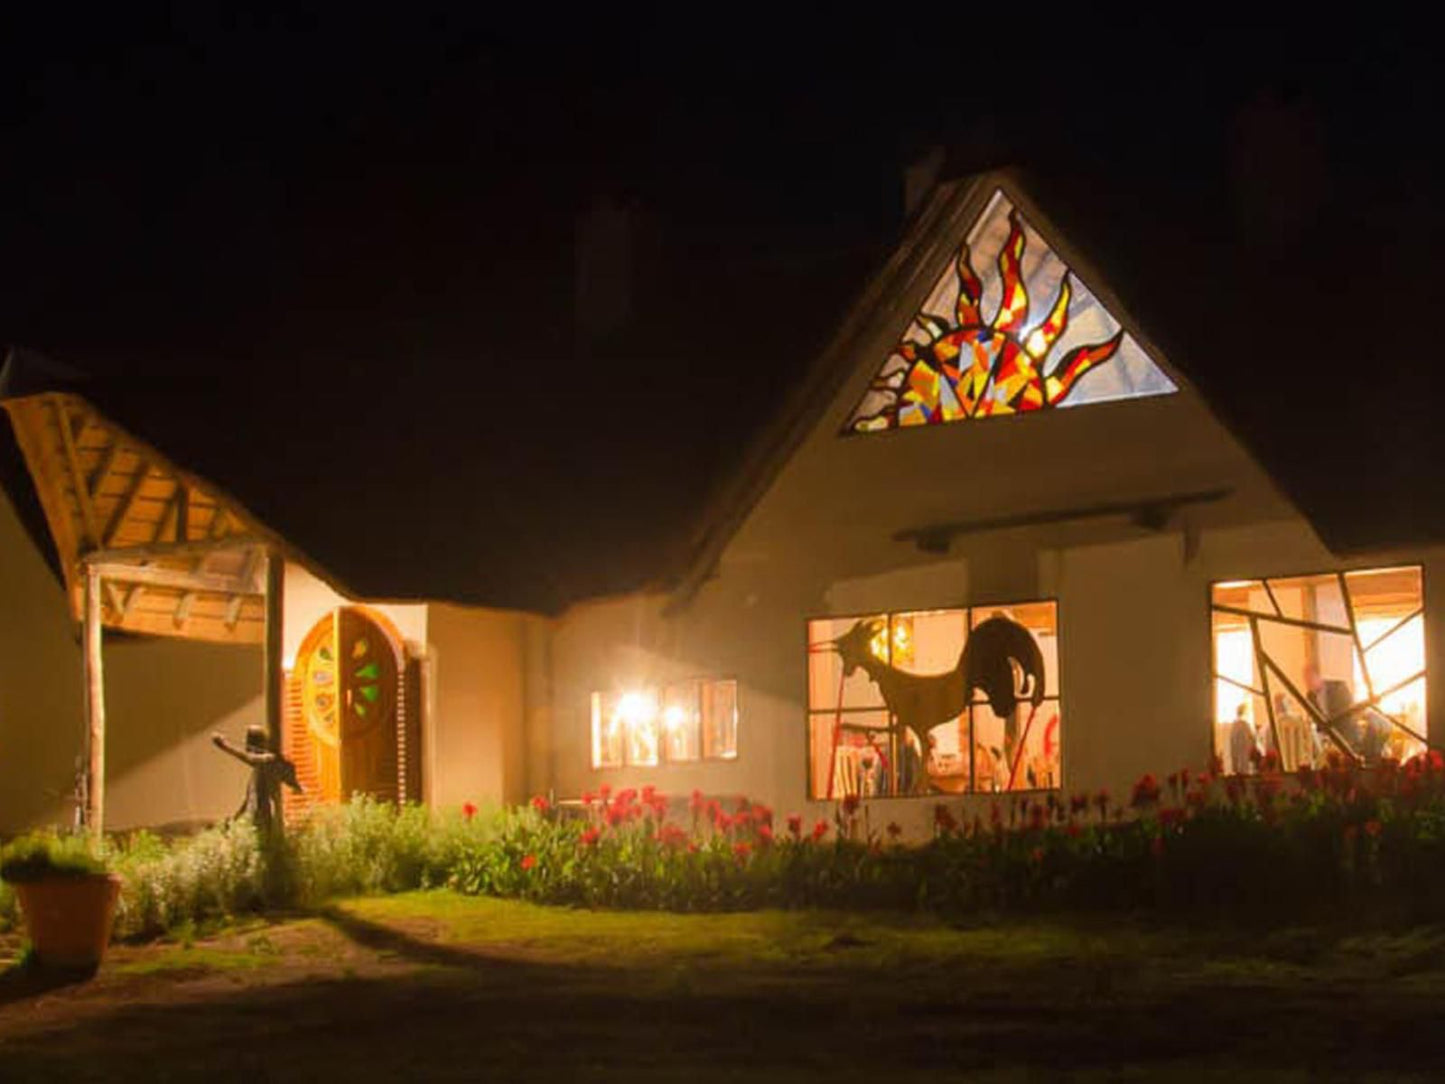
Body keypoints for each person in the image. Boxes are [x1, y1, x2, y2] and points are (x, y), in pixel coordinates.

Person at [212, 725, 302, 832]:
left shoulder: (268, 760)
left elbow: (249, 758)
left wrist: (225, 745)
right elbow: (250, 799)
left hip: (266, 812)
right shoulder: (262, 767)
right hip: (258, 809)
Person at [1304, 663, 1359, 755]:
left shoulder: (1339, 688)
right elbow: (1314, 721)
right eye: (1306, 680)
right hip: (1326, 742)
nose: (1307, 683)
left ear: (1319, 675)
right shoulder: (1310, 697)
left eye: (1309, 679)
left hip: (1346, 738)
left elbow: (1345, 717)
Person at [1229, 703, 1258, 775]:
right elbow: (1252, 740)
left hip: (1238, 757)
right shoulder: (1244, 725)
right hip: (1244, 757)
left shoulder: (1234, 726)